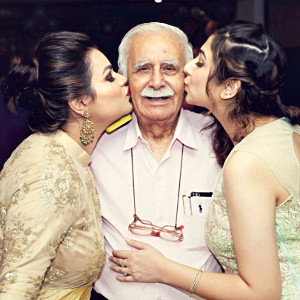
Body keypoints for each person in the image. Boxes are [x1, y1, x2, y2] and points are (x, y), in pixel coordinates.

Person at [109, 21, 300, 299]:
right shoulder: (285, 133)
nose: (186, 69)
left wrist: (163, 270)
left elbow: (262, 292)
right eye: (143, 68)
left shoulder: (246, 160)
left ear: (228, 88)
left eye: (198, 63)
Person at [90, 22, 222, 300]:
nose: (157, 82)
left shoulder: (221, 142)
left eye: (170, 68)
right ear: (125, 78)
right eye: (143, 69)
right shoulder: (96, 145)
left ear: (186, 76)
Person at [0, 31, 132, 299]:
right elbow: (16, 285)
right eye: (109, 77)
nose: (123, 79)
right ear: (80, 102)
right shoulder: (50, 170)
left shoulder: (69, 153)